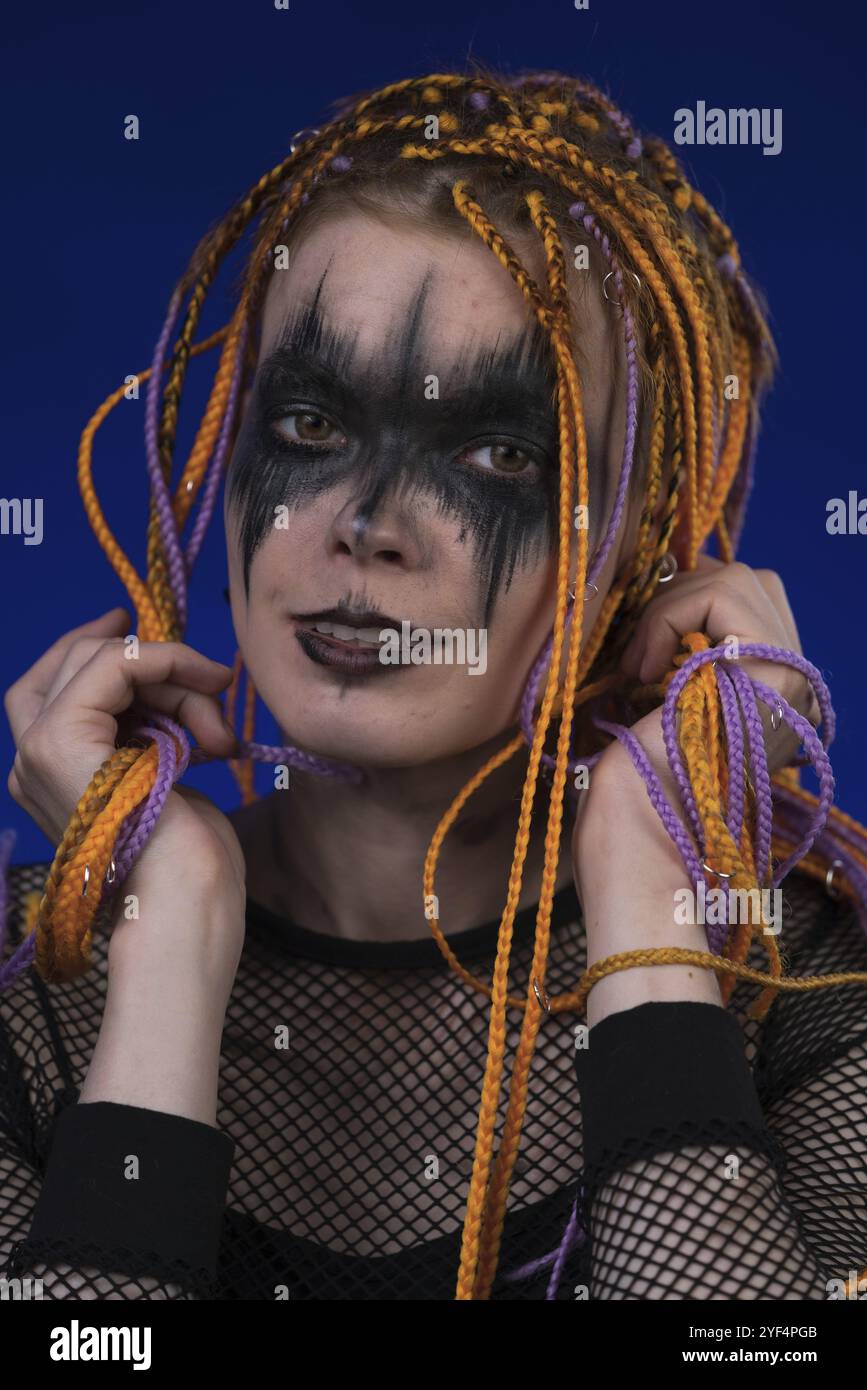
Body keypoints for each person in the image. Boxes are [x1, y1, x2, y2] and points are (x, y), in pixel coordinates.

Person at [2, 65, 866, 1302]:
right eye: (309, 426)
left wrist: (656, 916)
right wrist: (161, 938)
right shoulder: (34, 991)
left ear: (635, 541)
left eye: (497, 449)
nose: (366, 523)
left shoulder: (800, 987)